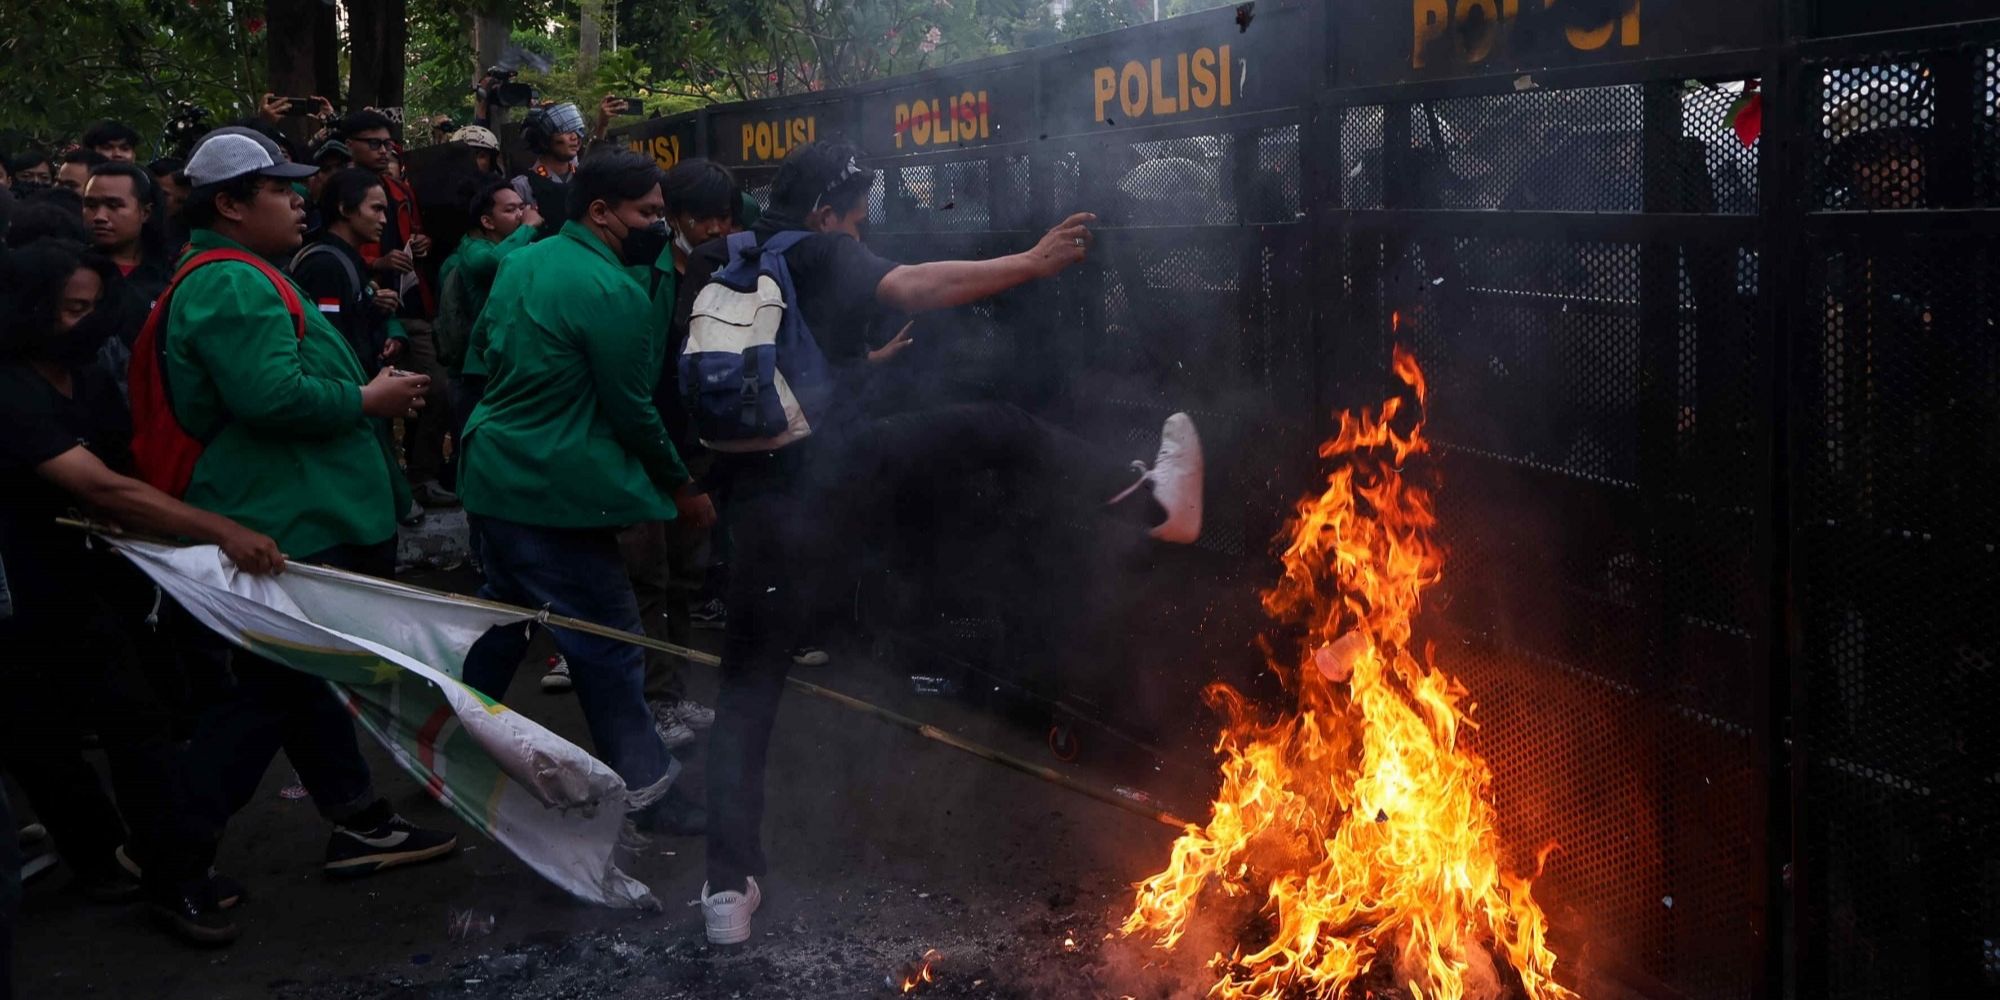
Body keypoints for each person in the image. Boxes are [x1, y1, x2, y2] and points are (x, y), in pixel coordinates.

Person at [683, 141, 1203, 945]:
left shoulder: (723, 262)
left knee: (746, 695)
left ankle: (726, 891)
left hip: (761, 512)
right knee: (991, 427)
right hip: (836, 479)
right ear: (827, 211)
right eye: (857, 217)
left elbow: (756, 386)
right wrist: (1030, 262)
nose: (862, 231)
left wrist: (696, 489)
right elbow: (917, 286)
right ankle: (1151, 502)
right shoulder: (821, 248)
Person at [135, 126, 456, 940]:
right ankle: (174, 862)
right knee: (265, 698)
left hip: (296, 515)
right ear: (232, 205)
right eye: (280, 190)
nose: (298, 201)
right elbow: (271, 398)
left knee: (298, 682)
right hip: (283, 524)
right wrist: (365, 401)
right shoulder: (233, 284)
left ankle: (358, 818)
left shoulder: (248, 274)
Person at [0, 236, 289, 944]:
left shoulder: (82, 368)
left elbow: (123, 461)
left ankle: (128, 863)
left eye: (94, 308)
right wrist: (218, 530)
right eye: (70, 309)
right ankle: (165, 879)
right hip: (29, 590)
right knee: (108, 732)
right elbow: (96, 482)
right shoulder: (9, 384)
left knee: (137, 720)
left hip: (96, 574)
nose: (84, 322)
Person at [458, 149, 715, 837]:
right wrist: (681, 486)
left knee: (506, 618)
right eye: (650, 214)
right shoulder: (614, 292)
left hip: (494, 472)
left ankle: (449, 740)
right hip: (553, 489)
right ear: (602, 211)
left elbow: (484, 351)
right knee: (608, 641)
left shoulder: (521, 262)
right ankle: (650, 790)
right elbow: (633, 409)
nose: (660, 226)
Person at [617, 158, 739, 744]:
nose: (716, 228)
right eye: (703, 217)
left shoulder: (728, 269)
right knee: (647, 578)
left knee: (685, 580)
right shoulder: (651, 277)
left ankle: (674, 694)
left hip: (695, 448)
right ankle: (652, 703)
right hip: (649, 452)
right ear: (675, 217)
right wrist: (672, 473)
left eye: (724, 217)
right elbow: (637, 385)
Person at [342, 110, 454, 508]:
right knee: (372, 403)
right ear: (350, 144)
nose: (383, 149)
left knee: (435, 387)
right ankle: (383, 488)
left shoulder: (400, 189)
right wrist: (376, 265)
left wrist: (421, 244)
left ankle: (421, 477)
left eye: (387, 142)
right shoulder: (338, 187)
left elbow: (415, 231)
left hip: (410, 305)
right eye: (373, 142)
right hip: (361, 312)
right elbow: (329, 245)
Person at [435, 180, 538, 492]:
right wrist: (529, 229)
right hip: (475, 370)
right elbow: (494, 264)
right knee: (481, 452)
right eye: (511, 210)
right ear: (487, 221)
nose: (522, 214)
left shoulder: (510, 246)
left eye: (522, 207)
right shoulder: (474, 251)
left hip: (501, 364)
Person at [292, 168, 405, 378]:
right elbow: (331, 342)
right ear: (344, 209)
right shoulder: (325, 266)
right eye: (376, 209)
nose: (384, 220)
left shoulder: (349, 261)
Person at [82, 162, 174, 396]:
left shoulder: (172, 279)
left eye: (114, 205)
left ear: (145, 212)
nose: (100, 216)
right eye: (91, 205)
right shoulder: (71, 271)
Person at [518, 102, 586, 236]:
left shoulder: (583, 176)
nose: (575, 137)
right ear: (544, 137)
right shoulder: (523, 186)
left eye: (577, 130)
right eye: (565, 131)